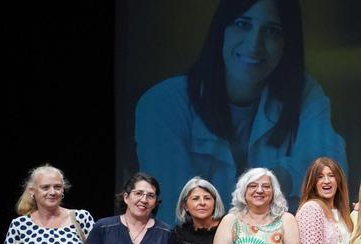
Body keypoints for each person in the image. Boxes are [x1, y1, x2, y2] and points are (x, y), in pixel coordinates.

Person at [135, 0, 346, 224]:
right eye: (243, 24)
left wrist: (278, 177)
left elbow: (330, 174)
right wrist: (278, 180)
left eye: (272, 31)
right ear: (221, 30)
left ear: (287, 42)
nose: (255, 44)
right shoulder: (164, 103)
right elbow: (174, 209)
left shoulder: (304, 93)